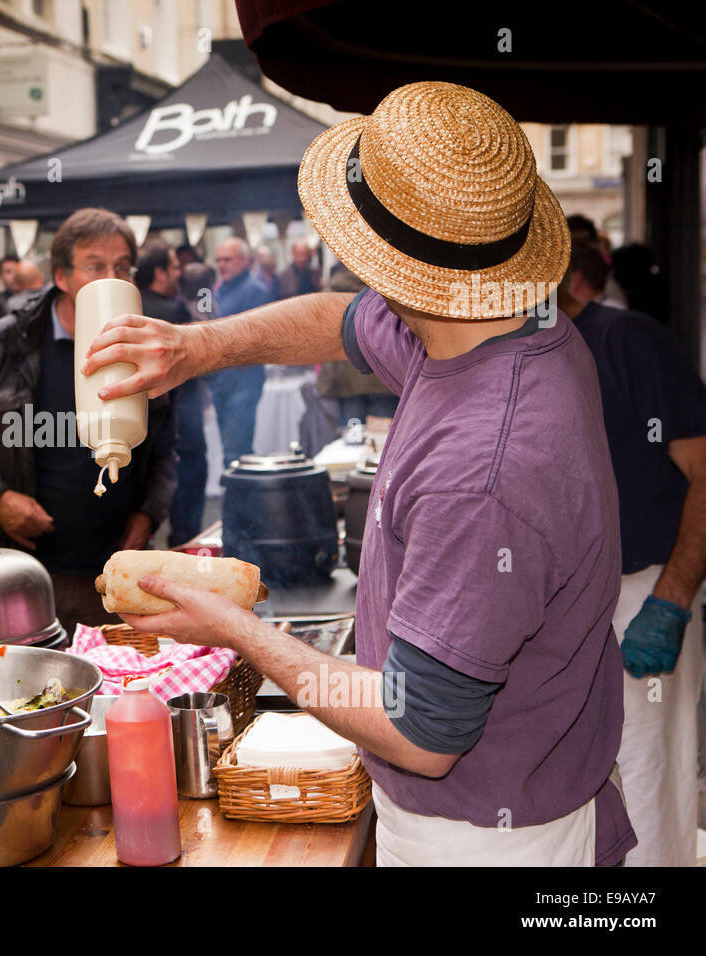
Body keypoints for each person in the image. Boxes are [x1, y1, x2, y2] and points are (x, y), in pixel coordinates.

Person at [83, 81, 634, 866]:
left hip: (486, 841)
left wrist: (236, 629)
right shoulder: (501, 319)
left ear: (399, 269)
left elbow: (419, 732)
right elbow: (338, 318)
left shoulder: (484, 472)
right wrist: (196, 347)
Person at [559, 239, 706, 866]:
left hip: (640, 595)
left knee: (647, 787)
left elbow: (704, 471)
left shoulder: (629, 340)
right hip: (552, 612)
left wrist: (671, 599)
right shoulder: (513, 356)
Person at [0, 208, 177, 637]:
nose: (111, 279)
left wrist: (148, 515)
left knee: (118, 677)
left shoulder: (147, 348)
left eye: (122, 267)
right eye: (95, 266)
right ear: (61, 277)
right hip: (29, 573)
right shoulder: (5, 345)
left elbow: (166, 449)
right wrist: (0, 497)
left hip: (115, 573)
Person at [136, 240, 203, 547]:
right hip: (177, 416)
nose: (180, 272)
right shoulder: (173, 310)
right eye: (174, 267)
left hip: (141, 419)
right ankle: (186, 548)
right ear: (159, 273)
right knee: (186, 483)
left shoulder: (130, 309)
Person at [207, 237, 270, 465]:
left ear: (244, 261)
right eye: (218, 260)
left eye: (227, 259)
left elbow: (256, 338)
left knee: (236, 452)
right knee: (230, 449)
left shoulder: (255, 291)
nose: (221, 265)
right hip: (221, 380)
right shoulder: (218, 291)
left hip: (244, 380)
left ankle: (238, 489)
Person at [314, 266, 399, 427]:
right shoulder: (389, 290)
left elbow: (323, 333)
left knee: (351, 433)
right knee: (384, 434)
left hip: (346, 381)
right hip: (384, 377)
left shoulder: (332, 291)